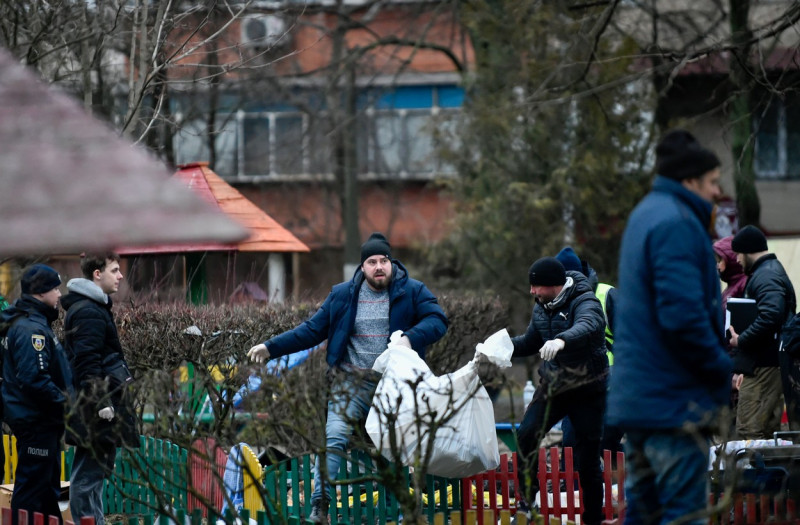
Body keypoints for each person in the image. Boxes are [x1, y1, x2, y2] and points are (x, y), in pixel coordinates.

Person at [247, 232, 448, 524]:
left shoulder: (412, 291)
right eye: (372, 262)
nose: (379, 267)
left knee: (406, 441)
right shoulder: (343, 295)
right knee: (334, 438)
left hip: (395, 384)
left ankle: (411, 510)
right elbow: (312, 330)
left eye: (384, 261)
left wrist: (410, 337)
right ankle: (320, 507)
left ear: (391, 263)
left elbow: (438, 320)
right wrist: (270, 347)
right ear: (362, 267)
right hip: (349, 383)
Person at [606, 129, 731, 524]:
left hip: (645, 402)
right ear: (690, 182)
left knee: (644, 514)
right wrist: (721, 366)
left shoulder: (647, 213)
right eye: (712, 182)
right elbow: (682, 316)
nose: (718, 191)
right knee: (683, 516)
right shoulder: (677, 223)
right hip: (674, 405)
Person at [511, 256, 608, 525]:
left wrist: (561, 340)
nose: (532, 292)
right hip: (554, 388)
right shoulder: (541, 306)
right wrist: (502, 347)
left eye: (536, 286)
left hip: (587, 389)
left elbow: (589, 324)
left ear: (553, 285)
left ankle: (592, 518)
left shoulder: (585, 300)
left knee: (587, 457)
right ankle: (528, 506)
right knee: (526, 436)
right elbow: (531, 341)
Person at [61, 252, 138, 525]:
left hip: (97, 406)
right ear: (97, 273)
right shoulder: (90, 311)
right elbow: (87, 362)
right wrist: (101, 401)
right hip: (97, 409)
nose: (120, 276)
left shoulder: (92, 308)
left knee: (93, 474)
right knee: (87, 477)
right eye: (114, 270)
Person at [0, 264, 72, 525]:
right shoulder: (32, 330)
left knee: (45, 491)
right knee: (32, 493)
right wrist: (68, 403)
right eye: (55, 288)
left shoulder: (30, 323)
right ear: (41, 293)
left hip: (39, 421)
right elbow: (34, 379)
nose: (59, 294)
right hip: (36, 421)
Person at [554, 247, 623, 461]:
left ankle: (629, 476)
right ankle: (574, 493)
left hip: (611, 384)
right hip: (575, 385)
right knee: (571, 448)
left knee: (604, 445)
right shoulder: (555, 301)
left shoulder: (607, 295)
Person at [728, 225, 797, 437]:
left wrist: (741, 340)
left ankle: (755, 471)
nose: (737, 260)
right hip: (765, 363)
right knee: (764, 432)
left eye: (739, 254)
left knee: (750, 431)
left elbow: (771, 315)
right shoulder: (766, 272)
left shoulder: (766, 275)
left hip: (764, 366)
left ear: (748, 251)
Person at [713, 235, 748, 431]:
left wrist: (737, 370)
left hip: (736, 366)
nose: (718, 266)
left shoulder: (742, 287)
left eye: (721, 260)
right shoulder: (730, 289)